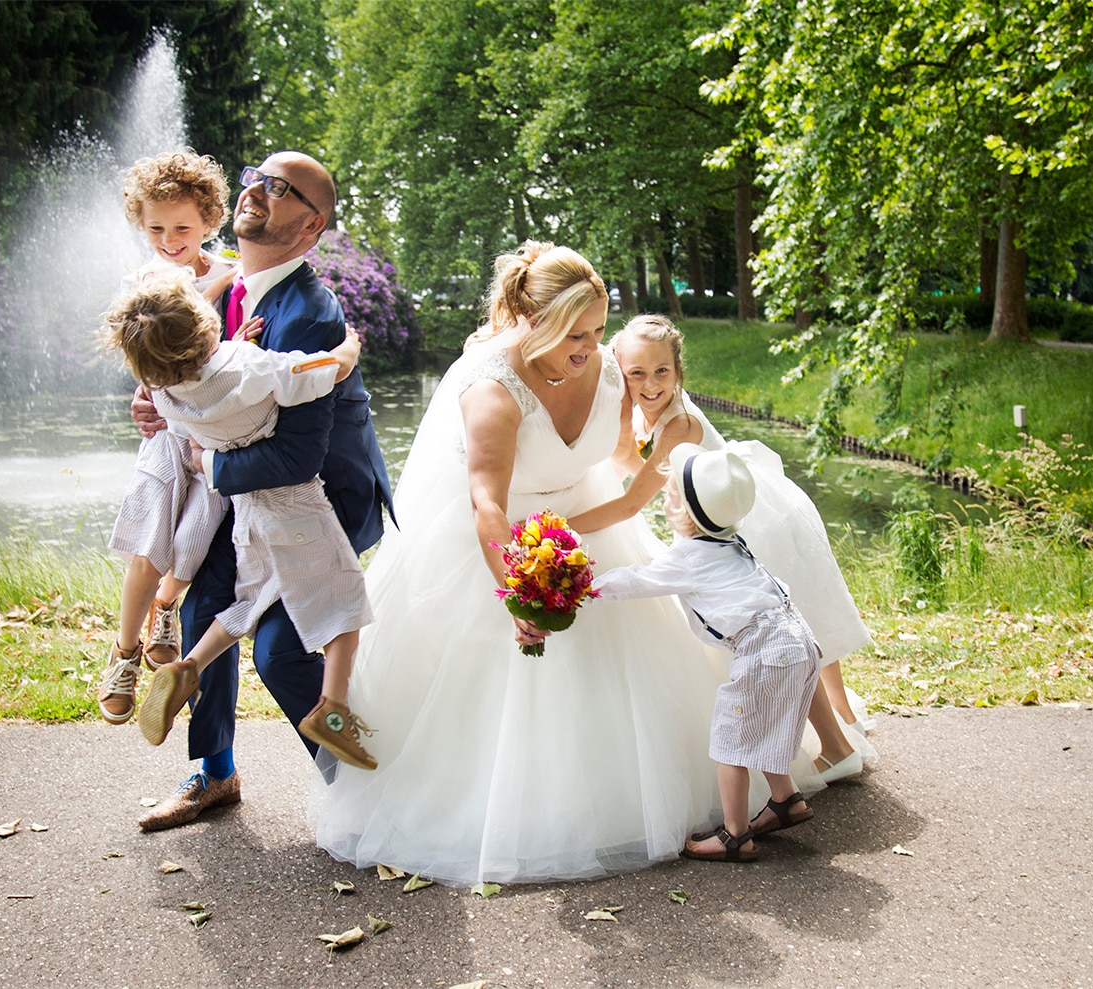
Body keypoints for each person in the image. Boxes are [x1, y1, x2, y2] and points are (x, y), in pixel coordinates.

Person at [312, 243, 763, 886]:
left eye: (599, 330)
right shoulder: (492, 388)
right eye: (575, 333)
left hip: (587, 521)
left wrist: (688, 492)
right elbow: (487, 507)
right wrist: (521, 592)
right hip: (505, 542)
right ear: (531, 318)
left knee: (640, 665)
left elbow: (622, 456)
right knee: (510, 686)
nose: (591, 348)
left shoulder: (607, 369)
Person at [129, 151, 395, 831]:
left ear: (312, 226)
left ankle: (371, 799)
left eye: (282, 189)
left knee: (278, 646)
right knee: (205, 602)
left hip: (323, 495)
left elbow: (298, 450)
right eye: (256, 178)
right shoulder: (219, 289)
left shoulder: (309, 313)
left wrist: (207, 464)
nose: (259, 191)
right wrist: (157, 404)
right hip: (250, 488)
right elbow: (196, 375)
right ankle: (215, 773)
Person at [595, 316, 876, 780]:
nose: (650, 383)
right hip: (725, 519)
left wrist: (555, 523)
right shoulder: (654, 414)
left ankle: (838, 745)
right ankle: (842, 728)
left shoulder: (679, 423)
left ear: (678, 370)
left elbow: (631, 502)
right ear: (621, 374)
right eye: (636, 373)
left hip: (744, 525)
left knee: (780, 637)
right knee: (796, 631)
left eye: (661, 371)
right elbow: (636, 466)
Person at [593, 444, 823, 862]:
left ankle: (735, 837)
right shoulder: (730, 541)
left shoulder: (690, 555)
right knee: (767, 724)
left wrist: (585, 587)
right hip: (798, 640)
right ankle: (785, 799)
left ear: (687, 516)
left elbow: (637, 581)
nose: (665, 499)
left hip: (764, 648)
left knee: (730, 740)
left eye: (671, 496)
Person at [96, 150, 244, 722]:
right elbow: (153, 346)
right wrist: (141, 391)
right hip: (166, 432)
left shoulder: (234, 271)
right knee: (149, 543)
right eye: (155, 228)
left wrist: (227, 278)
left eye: (183, 227)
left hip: (217, 436)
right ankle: (124, 651)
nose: (169, 239)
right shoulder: (148, 283)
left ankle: (165, 608)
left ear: (209, 219)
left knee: (193, 540)